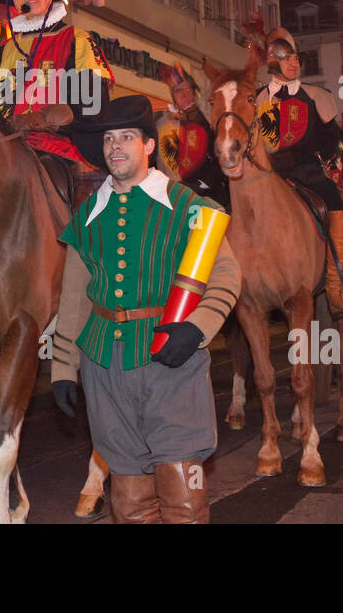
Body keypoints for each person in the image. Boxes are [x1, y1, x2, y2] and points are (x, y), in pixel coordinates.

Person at [50, 95, 241, 523]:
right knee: (130, 501)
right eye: (109, 139)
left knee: (182, 497)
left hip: (170, 359)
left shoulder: (188, 205)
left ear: (149, 145)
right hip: (104, 365)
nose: (116, 147)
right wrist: (63, 368)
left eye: (127, 137)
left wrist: (196, 329)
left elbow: (227, 276)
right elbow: (74, 298)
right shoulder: (87, 216)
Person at [0, 0, 114, 202]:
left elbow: (94, 108)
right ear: (16, 1)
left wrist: (43, 118)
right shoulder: (0, 52)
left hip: (60, 151)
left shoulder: (77, 40)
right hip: (3, 150)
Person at [255, 27, 343, 316]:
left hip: (305, 173)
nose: (295, 64)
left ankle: (337, 283)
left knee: (337, 202)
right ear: (273, 64)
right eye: (287, 59)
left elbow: (332, 140)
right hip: (264, 176)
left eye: (297, 59)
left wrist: (318, 158)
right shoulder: (255, 100)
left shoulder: (317, 96)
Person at [155, 62, 230, 210]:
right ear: (173, 97)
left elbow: (222, 162)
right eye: (178, 91)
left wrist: (199, 186)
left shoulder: (211, 121)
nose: (185, 95)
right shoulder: (162, 125)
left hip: (209, 199)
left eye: (188, 89)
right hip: (171, 201)